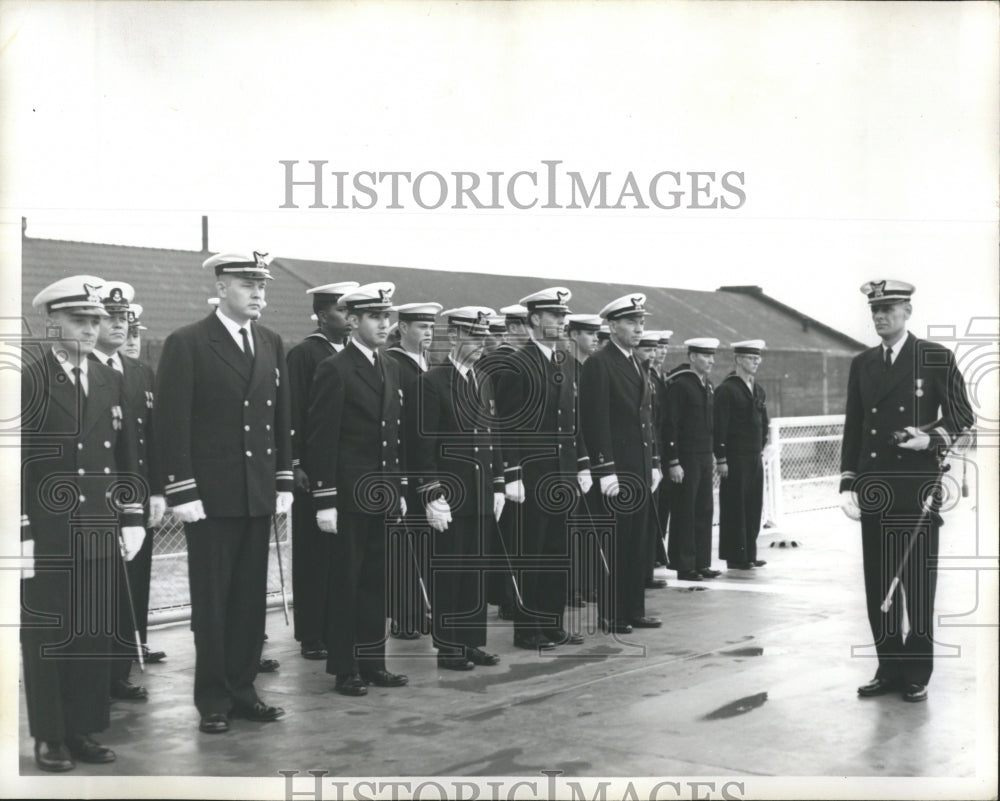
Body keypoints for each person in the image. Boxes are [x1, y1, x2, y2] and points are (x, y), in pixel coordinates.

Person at [155, 251, 293, 734]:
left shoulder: (270, 341)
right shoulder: (189, 342)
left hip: (255, 493)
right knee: (213, 604)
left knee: (250, 602)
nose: (258, 293)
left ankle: (243, 690)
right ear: (220, 288)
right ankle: (213, 699)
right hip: (210, 497)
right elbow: (171, 421)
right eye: (246, 284)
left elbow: (280, 416)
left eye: (262, 285)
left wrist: (282, 479)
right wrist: (182, 489)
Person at [21, 276, 146, 771]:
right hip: (48, 533)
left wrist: (131, 515)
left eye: (97, 320)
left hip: (98, 527)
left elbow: (125, 455)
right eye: (80, 320)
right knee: (49, 636)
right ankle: (51, 736)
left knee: (93, 635)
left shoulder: (109, 378)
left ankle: (83, 728)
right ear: (53, 324)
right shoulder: (28, 379)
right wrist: (21, 531)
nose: (92, 329)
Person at [840, 280, 973, 703]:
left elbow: (962, 415)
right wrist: (847, 482)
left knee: (915, 582)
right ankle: (888, 668)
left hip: (916, 487)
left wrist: (930, 439)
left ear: (907, 311)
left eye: (889, 309)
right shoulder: (862, 363)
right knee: (879, 580)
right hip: (874, 486)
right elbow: (854, 425)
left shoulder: (934, 357)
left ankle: (916, 671)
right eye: (875, 310)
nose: (881, 316)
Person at [305, 281, 409, 697]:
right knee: (345, 583)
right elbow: (322, 437)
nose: (384, 324)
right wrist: (325, 499)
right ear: (351, 320)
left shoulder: (390, 366)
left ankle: (373, 662)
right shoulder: (335, 368)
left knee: (375, 582)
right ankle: (345, 668)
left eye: (386, 317)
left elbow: (392, 435)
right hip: (347, 495)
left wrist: (398, 488)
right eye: (374, 317)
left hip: (380, 493)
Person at [406, 306, 505, 670]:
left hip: (480, 493)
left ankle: (471, 641)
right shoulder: (432, 383)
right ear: (454, 336)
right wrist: (432, 494)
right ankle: (449, 646)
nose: (481, 343)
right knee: (450, 573)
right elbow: (422, 446)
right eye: (474, 336)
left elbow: (493, 435)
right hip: (451, 495)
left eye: (484, 337)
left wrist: (498, 483)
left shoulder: (483, 379)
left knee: (475, 572)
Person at [498, 288, 589, 649]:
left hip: (562, 473)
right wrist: (513, 473)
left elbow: (572, 419)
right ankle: (527, 629)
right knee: (531, 554)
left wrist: (582, 464)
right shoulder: (518, 364)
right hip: (533, 476)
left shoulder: (563, 361)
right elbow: (507, 424)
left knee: (557, 552)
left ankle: (551, 623)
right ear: (535, 319)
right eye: (555, 315)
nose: (563, 321)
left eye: (564, 315)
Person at [89, 282, 167, 702]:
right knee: (100, 587)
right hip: (98, 496)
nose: (119, 325)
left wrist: (157, 491)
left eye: (124, 318)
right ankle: (96, 675)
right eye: (110, 317)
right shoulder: (83, 367)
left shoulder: (139, 372)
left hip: (138, 496)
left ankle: (120, 670)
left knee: (133, 583)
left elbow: (151, 438)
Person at [580, 293, 663, 634]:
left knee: (637, 544)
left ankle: (633, 609)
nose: (638, 328)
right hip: (616, 470)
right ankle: (611, 614)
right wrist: (604, 469)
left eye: (640, 322)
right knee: (616, 543)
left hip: (638, 468)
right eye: (631, 322)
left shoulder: (636, 363)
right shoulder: (600, 363)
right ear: (612, 326)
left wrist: (653, 461)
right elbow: (595, 420)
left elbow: (645, 419)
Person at [286, 281, 359, 661]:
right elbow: (293, 410)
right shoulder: (305, 354)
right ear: (321, 315)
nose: (348, 318)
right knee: (313, 554)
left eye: (350, 311)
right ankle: (311, 632)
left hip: (343, 469)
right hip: (312, 470)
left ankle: (337, 626)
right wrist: (295, 463)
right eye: (340, 311)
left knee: (340, 555)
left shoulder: (352, 354)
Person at [384, 301, 442, 640]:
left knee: (427, 543)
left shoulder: (430, 364)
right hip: (405, 464)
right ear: (403, 328)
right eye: (422, 327)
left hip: (429, 466)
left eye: (432, 327)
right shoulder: (393, 363)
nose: (428, 333)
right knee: (404, 545)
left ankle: (424, 610)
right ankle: (404, 615)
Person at [478, 303, 530, 620]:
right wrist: (510, 469)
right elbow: (503, 421)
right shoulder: (503, 363)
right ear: (512, 328)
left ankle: (511, 595)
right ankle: (508, 598)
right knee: (510, 535)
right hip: (512, 463)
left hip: (522, 463)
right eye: (526, 325)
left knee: (517, 534)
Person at [663, 338, 723, 582]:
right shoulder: (681, 385)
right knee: (685, 510)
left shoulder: (706, 385)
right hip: (686, 457)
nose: (711, 361)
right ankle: (684, 565)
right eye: (706, 356)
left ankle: (701, 562)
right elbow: (670, 424)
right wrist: (673, 461)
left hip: (704, 455)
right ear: (692, 357)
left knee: (704, 509)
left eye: (712, 356)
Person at [714, 340, 769, 571]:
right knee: (735, 506)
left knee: (753, 505)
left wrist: (762, 446)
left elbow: (763, 421)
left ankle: (749, 554)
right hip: (735, 457)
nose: (756, 362)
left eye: (758, 358)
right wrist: (722, 458)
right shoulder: (727, 389)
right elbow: (720, 426)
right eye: (751, 358)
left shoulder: (757, 389)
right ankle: (736, 556)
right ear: (738, 359)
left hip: (754, 456)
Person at [564, 313, 602, 608]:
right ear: (574, 335)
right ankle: (572, 587)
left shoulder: (592, 369)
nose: (596, 339)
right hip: (575, 457)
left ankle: (589, 584)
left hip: (594, 458)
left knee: (591, 525)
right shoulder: (564, 368)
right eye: (589, 333)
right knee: (572, 526)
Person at [634, 331, 668, 590]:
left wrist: (656, 459)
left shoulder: (649, 376)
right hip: (633, 456)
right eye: (648, 350)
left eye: (655, 350)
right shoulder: (638, 375)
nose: (653, 355)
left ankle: (646, 571)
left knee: (648, 518)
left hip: (650, 453)